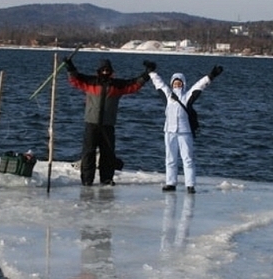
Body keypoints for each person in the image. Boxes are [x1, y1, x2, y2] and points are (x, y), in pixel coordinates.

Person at [64, 57, 151, 186]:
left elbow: (134, 85)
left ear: (111, 72)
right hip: (91, 123)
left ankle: (106, 179)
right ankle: (87, 179)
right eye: (103, 70)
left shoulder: (117, 85)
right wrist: (69, 66)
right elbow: (75, 79)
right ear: (99, 71)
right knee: (88, 153)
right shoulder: (90, 82)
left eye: (107, 70)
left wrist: (147, 73)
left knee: (108, 153)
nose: (105, 72)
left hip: (108, 125)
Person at [145, 62, 223, 193]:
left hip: (185, 132)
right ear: (171, 84)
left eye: (179, 83)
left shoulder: (187, 97)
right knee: (170, 158)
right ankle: (170, 183)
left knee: (188, 158)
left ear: (183, 84)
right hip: (169, 131)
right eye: (175, 83)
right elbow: (159, 84)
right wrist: (151, 72)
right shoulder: (168, 96)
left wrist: (211, 76)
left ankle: (190, 184)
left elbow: (199, 86)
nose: (177, 85)